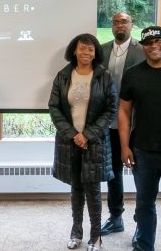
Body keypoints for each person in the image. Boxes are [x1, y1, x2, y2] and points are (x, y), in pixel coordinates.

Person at [118, 26, 161, 251]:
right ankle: (144, 245)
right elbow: (123, 112)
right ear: (143, 46)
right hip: (143, 150)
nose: (154, 46)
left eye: (158, 41)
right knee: (144, 204)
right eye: (148, 43)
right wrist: (124, 146)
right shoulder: (133, 74)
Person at [49, 33, 117, 251]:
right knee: (76, 189)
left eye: (90, 49)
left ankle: (95, 238)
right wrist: (73, 134)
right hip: (69, 143)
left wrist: (87, 134)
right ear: (74, 51)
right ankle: (76, 233)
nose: (86, 53)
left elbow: (110, 109)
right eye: (82, 48)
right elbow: (54, 107)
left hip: (93, 143)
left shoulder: (103, 76)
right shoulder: (63, 75)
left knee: (93, 192)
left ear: (95, 52)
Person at [99, 12, 146, 238]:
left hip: (137, 123)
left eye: (124, 22)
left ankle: (142, 222)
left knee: (141, 173)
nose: (120, 25)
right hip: (109, 123)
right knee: (113, 173)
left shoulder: (142, 49)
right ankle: (116, 217)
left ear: (131, 25)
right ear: (112, 26)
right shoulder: (102, 50)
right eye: (116, 22)